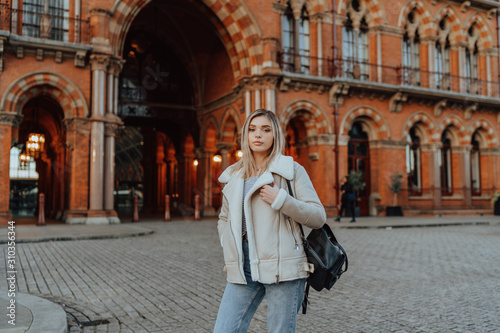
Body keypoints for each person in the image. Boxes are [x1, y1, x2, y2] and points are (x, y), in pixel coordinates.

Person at [214, 109, 326, 333]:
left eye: (266, 130)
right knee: (224, 329)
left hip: (282, 267)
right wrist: (229, 244)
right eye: (252, 130)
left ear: (275, 135)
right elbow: (224, 217)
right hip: (244, 265)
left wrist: (282, 200)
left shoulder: (290, 170)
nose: (258, 135)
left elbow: (318, 217)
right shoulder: (235, 175)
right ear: (245, 135)